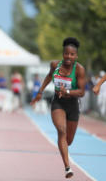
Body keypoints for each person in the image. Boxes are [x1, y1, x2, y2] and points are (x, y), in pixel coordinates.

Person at [31, 37, 85, 179]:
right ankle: (67, 167)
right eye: (66, 53)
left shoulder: (79, 69)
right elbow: (49, 77)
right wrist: (40, 92)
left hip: (73, 104)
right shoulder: (55, 65)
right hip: (58, 103)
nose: (69, 57)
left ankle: (64, 148)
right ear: (63, 54)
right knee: (61, 130)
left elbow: (81, 92)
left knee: (69, 140)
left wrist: (66, 91)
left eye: (72, 54)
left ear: (76, 56)